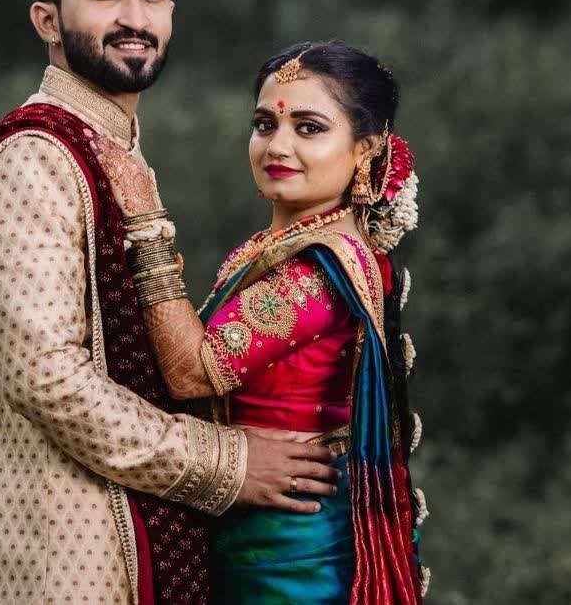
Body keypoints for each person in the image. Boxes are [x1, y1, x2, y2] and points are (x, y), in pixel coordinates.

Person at [0, 0, 336, 605]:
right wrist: (226, 464)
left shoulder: (110, 150)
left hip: (128, 550)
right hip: (57, 570)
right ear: (48, 20)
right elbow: (47, 377)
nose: (135, 18)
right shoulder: (33, 158)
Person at [104, 39, 429, 604]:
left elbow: (192, 372)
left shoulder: (317, 271)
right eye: (264, 124)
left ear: (367, 149)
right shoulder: (289, 245)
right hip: (255, 516)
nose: (277, 145)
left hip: (284, 549)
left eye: (309, 128)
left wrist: (146, 226)